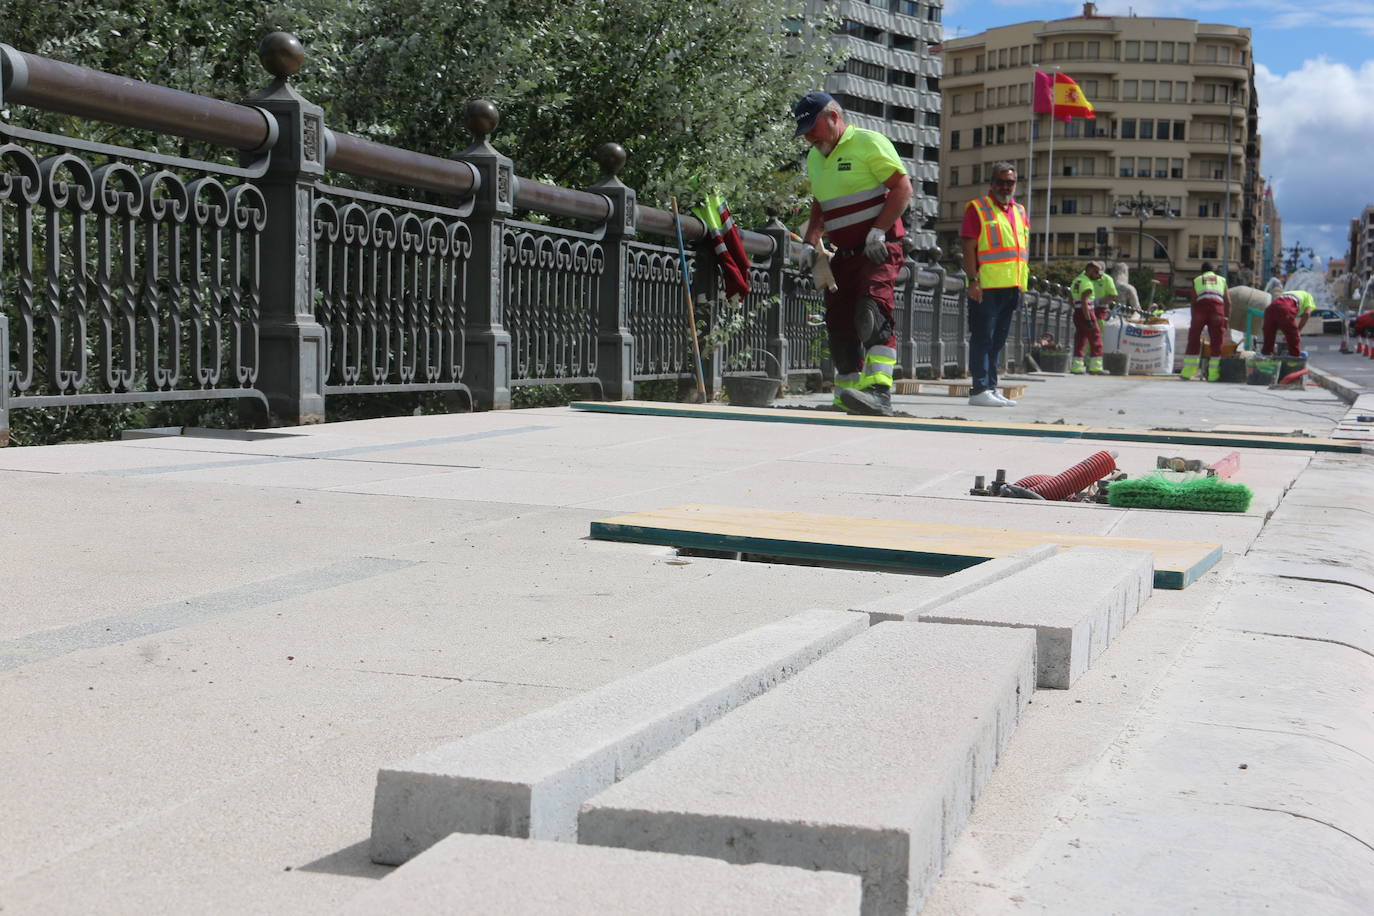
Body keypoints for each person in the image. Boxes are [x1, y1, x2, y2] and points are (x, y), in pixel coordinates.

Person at [794, 92, 912, 417]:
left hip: (878, 249)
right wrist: (809, 242)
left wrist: (879, 229)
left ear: (833, 117)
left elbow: (902, 187)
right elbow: (820, 205)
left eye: (811, 128)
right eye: (803, 131)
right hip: (843, 253)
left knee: (871, 312)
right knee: (839, 321)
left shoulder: (868, 143)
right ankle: (847, 392)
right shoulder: (816, 158)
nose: (808, 137)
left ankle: (879, 392)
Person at [960, 162, 1029, 407]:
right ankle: (979, 389)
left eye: (1009, 182)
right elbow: (968, 247)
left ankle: (991, 386)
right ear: (991, 183)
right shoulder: (978, 209)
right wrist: (972, 280)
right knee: (982, 338)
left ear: (1015, 184)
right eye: (1000, 182)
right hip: (986, 286)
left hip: (1011, 287)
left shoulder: (1019, 211)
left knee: (998, 341)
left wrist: (1021, 285)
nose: (1004, 186)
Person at [1183, 262, 1231, 381]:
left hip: (1200, 309)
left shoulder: (1197, 280)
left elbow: (1193, 301)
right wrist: (1226, 319)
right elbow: (1228, 302)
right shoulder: (1221, 280)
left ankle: (1188, 373)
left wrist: (1194, 319)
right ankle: (1213, 375)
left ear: (1202, 271)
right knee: (1217, 341)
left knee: (1194, 339)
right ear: (1214, 271)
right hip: (1217, 310)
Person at [1069, 260, 1117, 375]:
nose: (1098, 277)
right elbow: (1085, 302)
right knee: (1096, 339)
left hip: (1077, 313)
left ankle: (1077, 367)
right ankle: (1095, 368)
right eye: (1096, 273)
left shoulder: (1076, 280)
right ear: (1090, 270)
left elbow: (1070, 299)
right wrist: (1088, 319)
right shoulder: (1087, 283)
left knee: (1080, 339)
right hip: (1088, 312)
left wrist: (1078, 309)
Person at [1260, 287, 1315, 358]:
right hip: (1285, 309)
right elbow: (1307, 313)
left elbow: (1278, 313)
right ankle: (1293, 360)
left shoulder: (1288, 293)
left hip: (1270, 309)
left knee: (1268, 339)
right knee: (1293, 337)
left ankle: (1265, 359)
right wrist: (1298, 331)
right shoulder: (1308, 296)